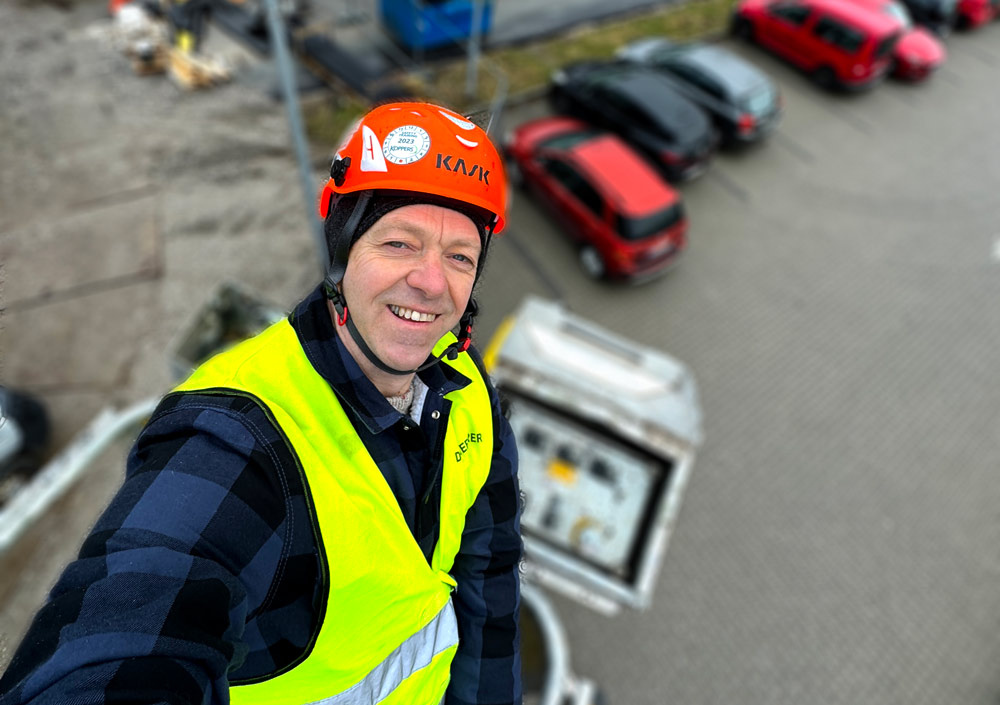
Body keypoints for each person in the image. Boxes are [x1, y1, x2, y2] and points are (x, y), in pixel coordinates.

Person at [0, 101, 522, 705]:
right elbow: (129, 624)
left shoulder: (464, 383)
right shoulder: (240, 439)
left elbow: (489, 569)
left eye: (460, 256)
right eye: (400, 242)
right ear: (343, 248)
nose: (432, 282)